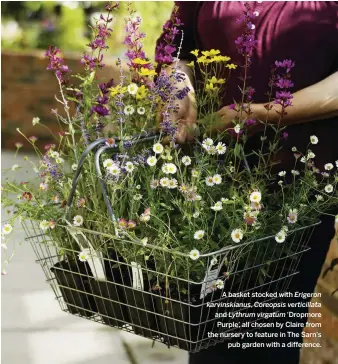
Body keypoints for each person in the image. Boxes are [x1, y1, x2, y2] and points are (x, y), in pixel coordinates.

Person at [156, 2, 338, 363]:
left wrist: (260, 113)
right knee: (209, 336)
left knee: (263, 341)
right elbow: (174, 49)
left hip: (296, 193)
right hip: (209, 185)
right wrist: (178, 92)